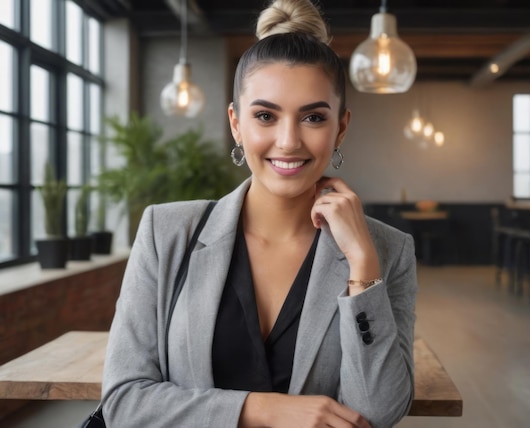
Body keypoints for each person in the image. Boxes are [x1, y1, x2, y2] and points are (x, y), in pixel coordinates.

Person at [101, 0, 417, 427]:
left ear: (340, 127)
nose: (288, 141)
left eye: (313, 117)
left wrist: (362, 265)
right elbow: (124, 401)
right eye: (265, 115)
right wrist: (261, 409)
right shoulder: (167, 232)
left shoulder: (387, 251)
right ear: (236, 123)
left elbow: (379, 411)